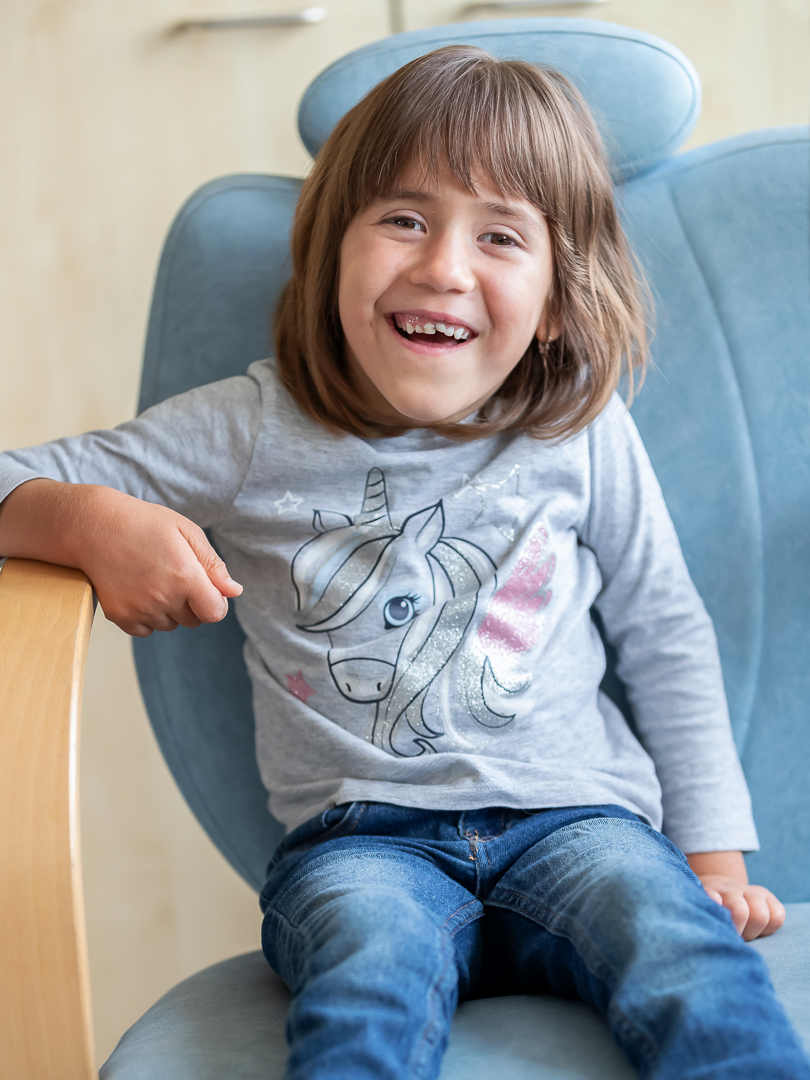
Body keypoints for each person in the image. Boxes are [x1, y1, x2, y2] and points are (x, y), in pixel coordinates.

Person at [0, 45, 806, 1080]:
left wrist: (712, 856)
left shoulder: (580, 427)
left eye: (500, 236)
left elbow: (665, 627)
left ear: (558, 301)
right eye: (404, 220)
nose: (443, 269)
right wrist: (82, 521)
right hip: (361, 845)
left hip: (581, 820)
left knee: (688, 956)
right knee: (364, 990)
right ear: (331, 250)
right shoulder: (247, 430)